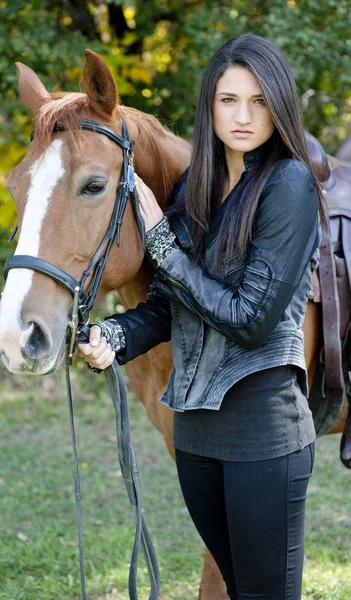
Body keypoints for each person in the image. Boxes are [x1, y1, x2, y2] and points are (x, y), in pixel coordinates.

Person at [77, 33, 326, 600]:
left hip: (266, 437)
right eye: (228, 100)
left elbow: (250, 320)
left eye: (259, 101)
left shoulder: (287, 185)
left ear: (280, 105)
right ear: (208, 105)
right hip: (196, 438)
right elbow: (173, 304)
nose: (243, 116)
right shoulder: (199, 184)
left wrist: (161, 243)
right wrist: (114, 334)